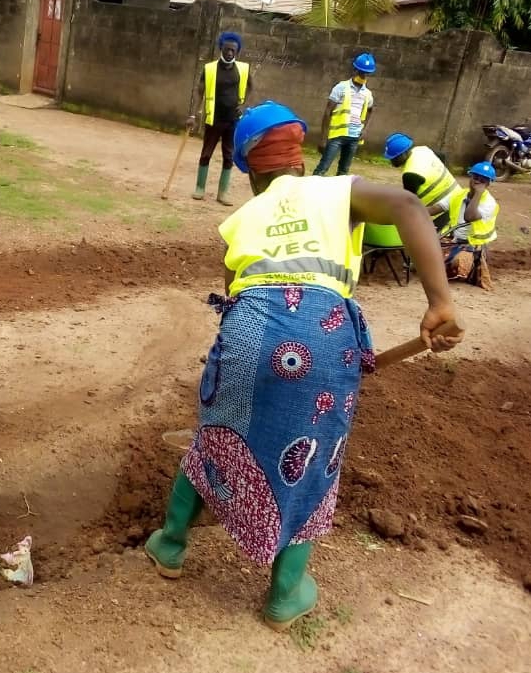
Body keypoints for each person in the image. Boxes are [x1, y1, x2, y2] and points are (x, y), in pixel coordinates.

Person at [144, 101, 463, 631]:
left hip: (247, 329)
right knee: (314, 460)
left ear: (251, 172)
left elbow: (233, 295)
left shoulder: (241, 219)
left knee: (216, 438)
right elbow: (409, 205)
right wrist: (440, 302)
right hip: (324, 336)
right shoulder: (335, 190)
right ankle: (284, 593)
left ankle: (171, 544)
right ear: (299, 158)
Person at [185, 31, 254, 206]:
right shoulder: (209, 69)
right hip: (213, 119)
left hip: (233, 120)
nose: (229, 53)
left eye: (233, 50)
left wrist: (244, 104)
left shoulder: (243, 69)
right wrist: (193, 115)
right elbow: (200, 92)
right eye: (227, 49)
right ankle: (200, 188)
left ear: (237, 51)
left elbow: (250, 87)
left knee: (229, 155)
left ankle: (222, 193)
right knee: (206, 153)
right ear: (221, 49)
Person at [430, 161, 499, 290]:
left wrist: (478, 194)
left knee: (455, 264)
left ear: (488, 183)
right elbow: (436, 208)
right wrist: (414, 212)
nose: (478, 181)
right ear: (470, 176)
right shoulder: (458, 194)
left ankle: (464, 267)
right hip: (454, 240)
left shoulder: (490, 203)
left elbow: (469, 216)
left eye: (483, 180)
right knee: (426, 256)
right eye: (475, 177)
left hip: (473, 246)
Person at [383, 133, 461, 232]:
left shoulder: (411, 174)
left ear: (403, 154)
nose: (391, 161)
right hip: (459, 197)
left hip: (442, 213)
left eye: (393, 158)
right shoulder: (423, 150)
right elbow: (442, 156)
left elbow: (408, 202)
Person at [314, 53, 376, 176]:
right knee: (322, 168)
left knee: (343, 172)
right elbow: (327, 112)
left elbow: (370, 110)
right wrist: (323, 139)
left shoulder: (367, 93)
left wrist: (365, 129)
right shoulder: (341, 87)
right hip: (337, 135)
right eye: (361, 72)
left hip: (354, 137)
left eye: (367, 73)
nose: (363, 75)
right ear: (355, 70)